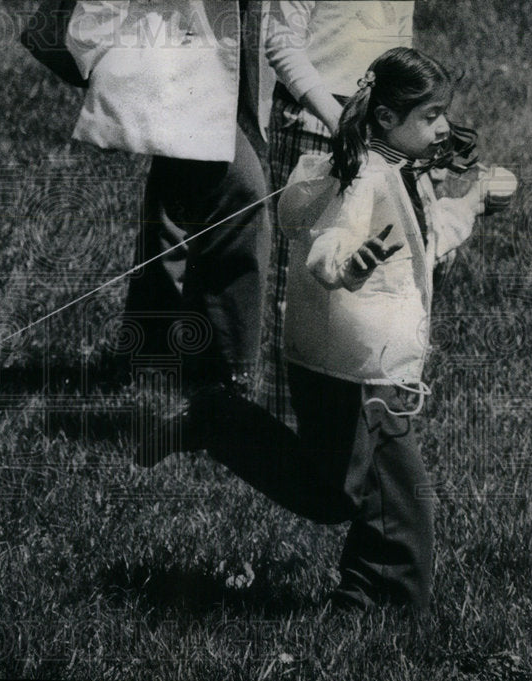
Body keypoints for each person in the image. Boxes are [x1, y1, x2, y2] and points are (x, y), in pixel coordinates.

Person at [195, 47, 513, 609]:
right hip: (362, 364)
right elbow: (328, 245)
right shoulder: (363, 173)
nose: (443, 127)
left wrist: (475, 200)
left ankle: (216, 421)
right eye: (431, 115)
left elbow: (432, 233)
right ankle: (381, 605)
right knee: (400, 497)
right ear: (387, 118)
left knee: (332, 493)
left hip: (337, 357)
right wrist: (349, 266)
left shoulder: (399, 168)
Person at [65, 1, 277, 466]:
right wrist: (93, 51)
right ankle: (229, 374)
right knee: (241, 191)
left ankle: (150, 348)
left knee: (184, 182)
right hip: (166, 47)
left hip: (226, 36)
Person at [260, 1, 415, 429]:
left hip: (380, 126)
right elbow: (281, 44)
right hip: (313, 119)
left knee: (371, 276)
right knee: (302, 279)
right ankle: (291, 424)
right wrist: (338, 121)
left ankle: (358, 421)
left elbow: (401, 46)